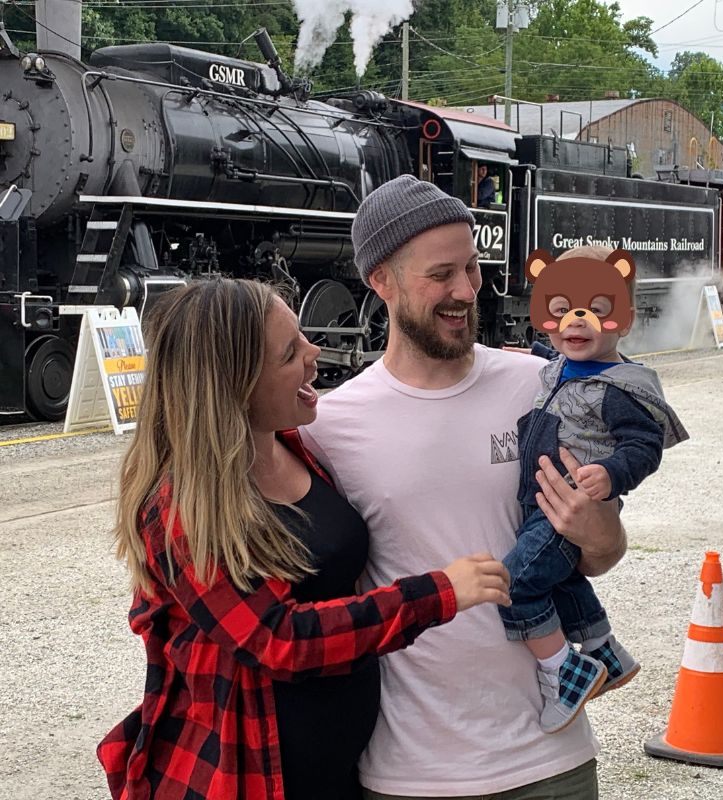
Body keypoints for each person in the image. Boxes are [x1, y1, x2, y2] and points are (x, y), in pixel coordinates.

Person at [96, 278, 511, 800]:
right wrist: (437, 594)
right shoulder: (180, 507)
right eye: (290, 351)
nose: (315, 353)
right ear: (233, 382)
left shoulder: (295, 446)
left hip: (340, 774)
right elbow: (277, 639)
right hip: (246, 774)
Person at [301, 175, 626, 799]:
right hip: (409, 771)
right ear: (381, 281)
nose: (464, 291)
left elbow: (602, 552)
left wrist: (602, 531)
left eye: (472, 269)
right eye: (440, 274)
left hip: (549, 759)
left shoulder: (541, 385)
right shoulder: (333, 426)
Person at [499, 245, 689, 735]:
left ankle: (564, 669)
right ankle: (605, 649)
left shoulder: (620, 388)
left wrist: (610, 474)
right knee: (560, 581)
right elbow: (559, 364)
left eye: (596, 311)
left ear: (622, 321)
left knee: (514, 584)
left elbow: (644, 445)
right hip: (545, 504)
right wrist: (524, 353)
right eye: (561, 311)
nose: (575, 323)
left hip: (568, 508)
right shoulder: (567, 365)